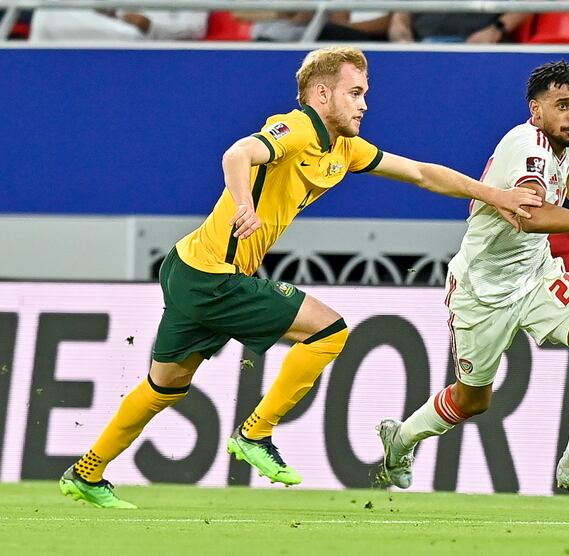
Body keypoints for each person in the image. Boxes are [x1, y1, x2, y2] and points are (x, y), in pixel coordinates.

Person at [58, 46, 541, 509]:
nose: (364, 103)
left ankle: (86, 471)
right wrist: (244, 203)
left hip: (189, 269)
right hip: (214, 277)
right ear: (322, 95)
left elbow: (419, 173)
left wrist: (495, 197)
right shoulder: (294, 128)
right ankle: (256, 433)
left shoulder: (345, 148)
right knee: (329, 330)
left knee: (164, 387)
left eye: (365, 93)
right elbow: (236, 155)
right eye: (355, 93)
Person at [377, 60, 569, 505]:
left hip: (537, 275)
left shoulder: (562, 142)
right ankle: (401, 439)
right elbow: (532, 215)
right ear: (535, 109)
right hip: (482, 292)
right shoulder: (527, 147)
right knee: (473, 401)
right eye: (562, 105)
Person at [30, 7, 207, 41]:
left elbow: (195, 28)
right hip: (108, 27)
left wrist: (149, 25)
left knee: (47, 14)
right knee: (46, 13)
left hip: (141, 38)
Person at [388, 10, 528, 43]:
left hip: (481, 45)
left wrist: (496, 30)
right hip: (419, 45)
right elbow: (401, 12)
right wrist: (399, 24)